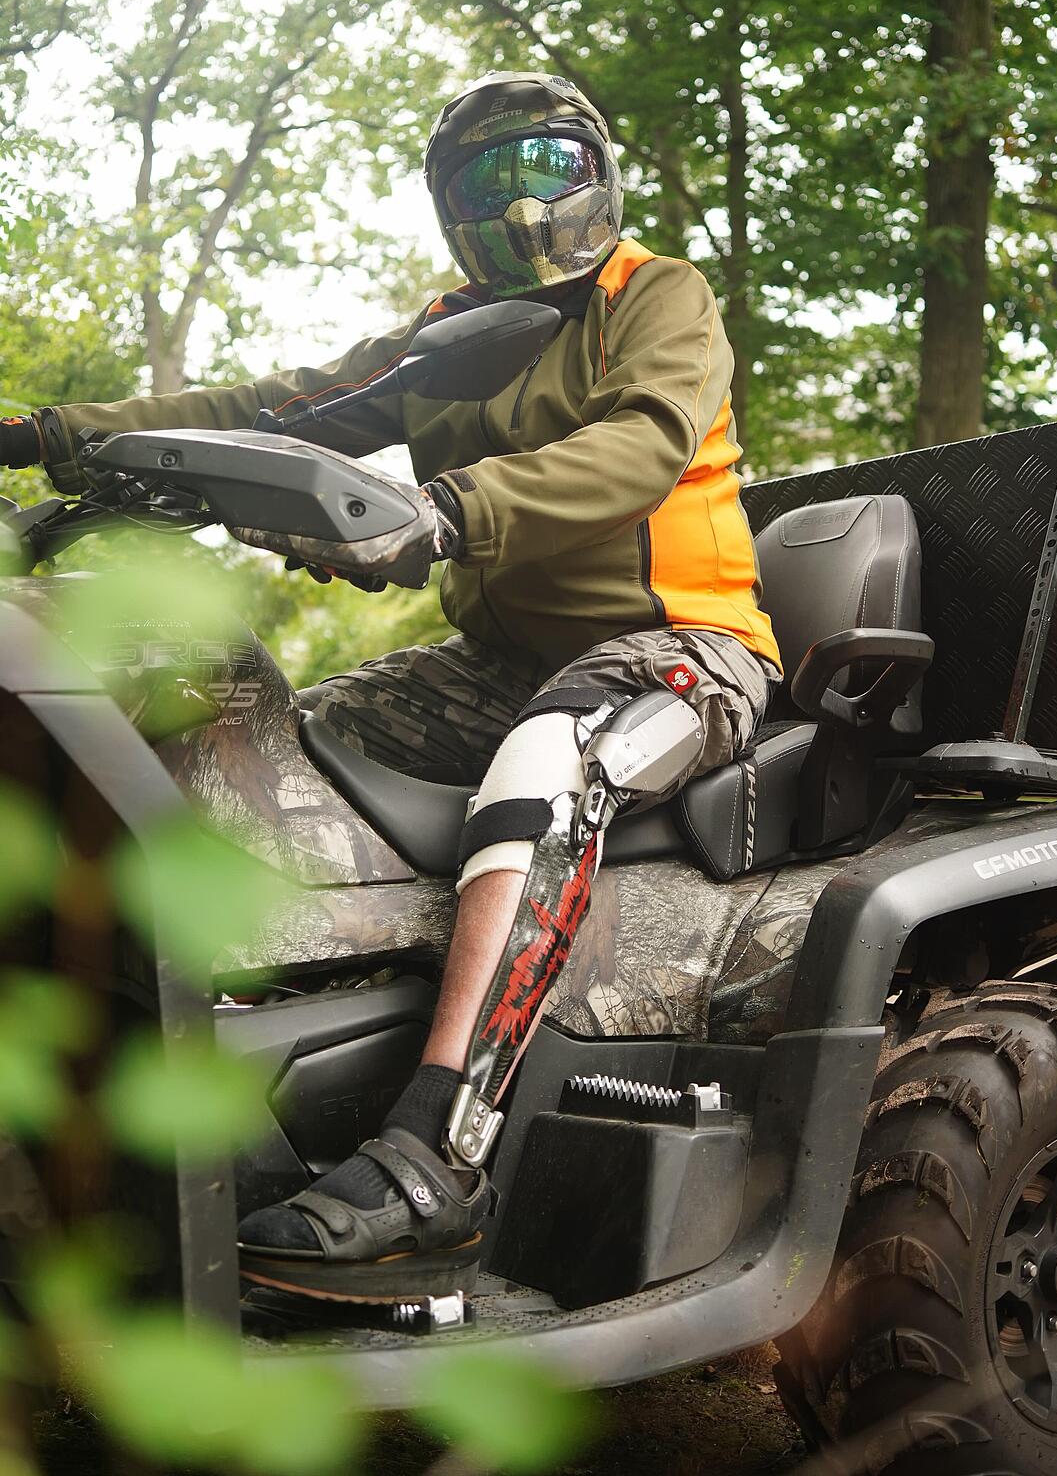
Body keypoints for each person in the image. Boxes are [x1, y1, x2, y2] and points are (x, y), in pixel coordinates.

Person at [0, 72, 782, 1301]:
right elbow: (281, 408)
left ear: (597, 171)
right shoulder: (444, 337)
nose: (523, 204)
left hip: (682, 645)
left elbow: (642, 443)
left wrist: (444, 513)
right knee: (281, 752)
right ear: (447, 208)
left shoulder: (657, 293)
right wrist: (56, 434)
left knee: (546, 767)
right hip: (501, 662)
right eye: (489, 180)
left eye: (546, 166)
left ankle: (439, 1148)